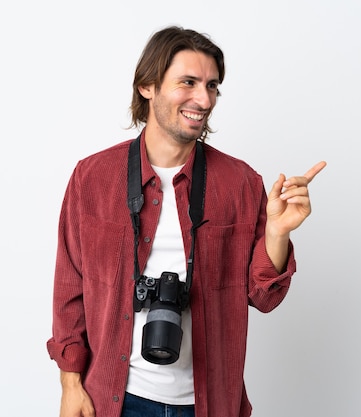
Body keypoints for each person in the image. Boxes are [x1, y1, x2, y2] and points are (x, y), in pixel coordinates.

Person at [46, 25, 326, 417]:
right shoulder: (93, 177)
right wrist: (70, 383)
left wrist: (277, 232)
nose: (204, 98)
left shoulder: (241, 183)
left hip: (208, 403)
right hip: (112, 398)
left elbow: (264, 298)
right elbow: (69, 286)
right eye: (188, 82)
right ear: (148, 85)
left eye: (212, 86)